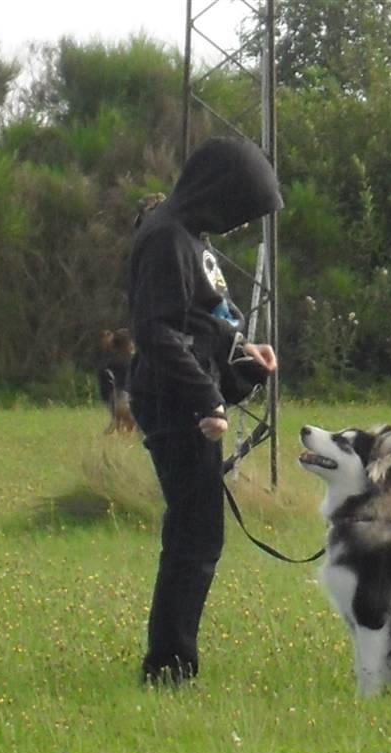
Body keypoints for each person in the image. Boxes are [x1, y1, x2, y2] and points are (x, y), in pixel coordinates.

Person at [129, 137, 282, 684]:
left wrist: (242, 356)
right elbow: (157, 333)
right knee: (194, 538)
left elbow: (198, 323)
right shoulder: (167, 237)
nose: (240, 222)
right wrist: (207, 399)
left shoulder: (190, 237)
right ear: (219, 190)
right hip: (177, 405)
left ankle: (171, 662)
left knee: (197, 536)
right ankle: (168, 668)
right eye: (241, 207)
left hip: (189, 400)